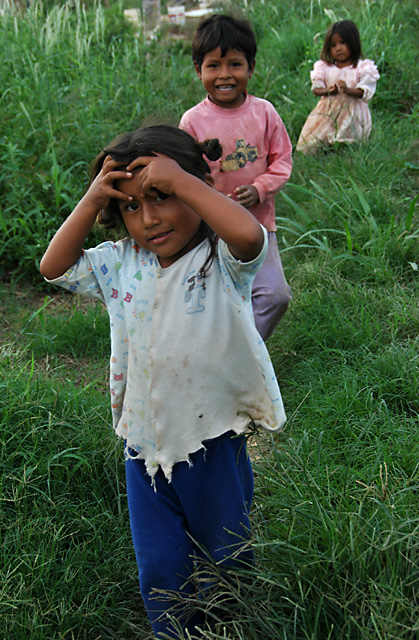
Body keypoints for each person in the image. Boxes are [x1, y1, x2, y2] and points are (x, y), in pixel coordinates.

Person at [40, 125, 286, 638]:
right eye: (131, 207)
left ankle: (235, 625)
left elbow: (250, 237)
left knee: (228, 556)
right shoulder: (121, 263)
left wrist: (184, 181)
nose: (149, 218)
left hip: (213, 442)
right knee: (160, 566)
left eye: (162, 197)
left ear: (195, 186)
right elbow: (53, 267)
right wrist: (91, 200)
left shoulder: (219, 259)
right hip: (142, 447)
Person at [180, 14, 293, 341]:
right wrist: (204, 194)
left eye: (235, 64)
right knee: (215, 300)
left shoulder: (265, 113)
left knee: (274, 296)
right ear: (198, 69)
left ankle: (242, 352)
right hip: (210, 231)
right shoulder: (192, 122)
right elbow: (183, 175)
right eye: (214, 65)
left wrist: (260, 189)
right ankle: (215, 357)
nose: (225, 74)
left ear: (251, 67)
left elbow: (282, 160)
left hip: (259, 226)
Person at [296, 20, 380, 154]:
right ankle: (325, 152)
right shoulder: (325, 68)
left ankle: (345, 152)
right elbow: (316, 89)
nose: (338, 48)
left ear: (352, 42)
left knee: (348, 138)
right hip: (329, 111)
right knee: (318, 136)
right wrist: (328, 90)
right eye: (333, 45)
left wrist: (347, 90)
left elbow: (364, 92)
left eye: (342, 43)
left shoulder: (362, 68)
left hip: (352, 111)